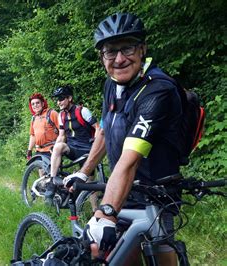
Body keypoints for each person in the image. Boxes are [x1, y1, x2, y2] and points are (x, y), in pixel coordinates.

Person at [63, 13, 183, 264]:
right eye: (110, 52)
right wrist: (85, 171)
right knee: (110, 257)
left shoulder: (157, 90)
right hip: (122, 194)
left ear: (142, 50)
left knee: (159, 256)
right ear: (102, 57)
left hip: (155, 200)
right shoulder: (112, 84)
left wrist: (105, 213)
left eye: (127, 48)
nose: (119, 59)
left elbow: (131, 158)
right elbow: (105, 131)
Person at [44, 85, 98, 205]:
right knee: (58, 147)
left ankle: (94, 211)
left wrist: (96, 145)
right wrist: (55, 148)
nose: (59, 102)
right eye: (57, 100)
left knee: (90, 184)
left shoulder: (82, 111)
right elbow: (62, 135)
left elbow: (98, 128)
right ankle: (52, 181)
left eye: (61, 99)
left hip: (87, 150)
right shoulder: (61, 115)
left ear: (70, 98)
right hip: (72, 149)